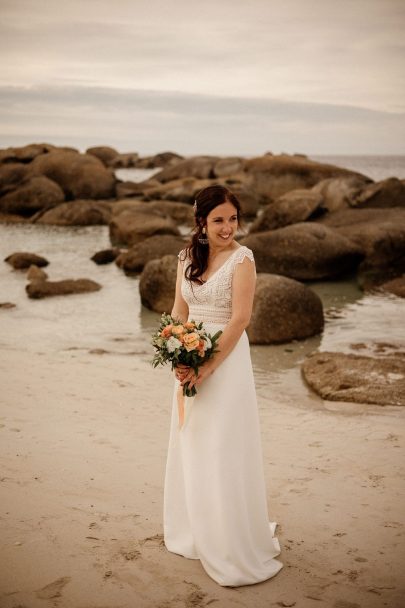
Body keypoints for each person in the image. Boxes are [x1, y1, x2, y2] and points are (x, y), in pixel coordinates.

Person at [163, 184, 283, 587]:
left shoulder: (243, 260)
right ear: (201, 221)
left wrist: (208, 366)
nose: (228, 227)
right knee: (193, 441)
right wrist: (179, 354)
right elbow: (180, 309)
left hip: (226, 362)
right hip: (190, 356)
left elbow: (240, 320)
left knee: (223, 445)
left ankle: (230, 541)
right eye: (218, 220)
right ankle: (198, 529)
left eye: (233, 219)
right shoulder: (185, 258)